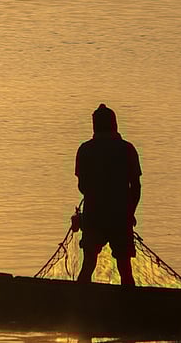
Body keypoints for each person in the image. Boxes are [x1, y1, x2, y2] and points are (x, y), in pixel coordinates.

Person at [75, 104, 142, 286]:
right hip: (120, 217)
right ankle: (129, 304)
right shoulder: (127, 149)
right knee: (125, 268)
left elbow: (82, 186)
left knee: (88, 264)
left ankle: (80, 302)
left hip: (94, 217)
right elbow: (136, 187)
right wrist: (129, 213)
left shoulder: (85, 150)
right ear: (115, 124)